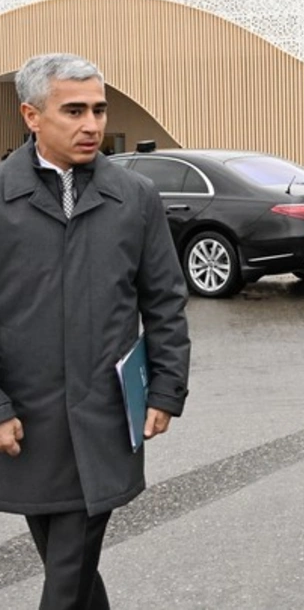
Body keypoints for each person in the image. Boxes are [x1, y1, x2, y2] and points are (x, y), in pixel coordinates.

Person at [0, 53, 191, 609]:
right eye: (74, 110)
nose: (92, 125)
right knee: (71, 564)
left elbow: (164, 301)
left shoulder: (134, 197)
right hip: (29, 421)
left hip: (106, 411)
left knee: (68, 568)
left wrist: (166, 387)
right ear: (31, 116)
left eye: (100, 109)